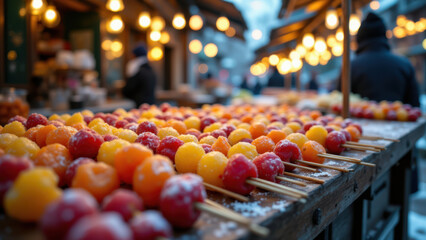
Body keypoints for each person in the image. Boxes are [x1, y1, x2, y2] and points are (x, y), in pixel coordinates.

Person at [338, 12, 420, 107]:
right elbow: (415, 107)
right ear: (385, 36)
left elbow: (340, 104)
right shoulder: (405, 64)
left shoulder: (350, 67)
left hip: (359, 121)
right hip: (398, 120)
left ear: (360, 39)